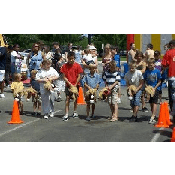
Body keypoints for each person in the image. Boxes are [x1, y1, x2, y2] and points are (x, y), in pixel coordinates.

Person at [60, 51, 83, 121]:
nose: (71, 60)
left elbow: (79, 75)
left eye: (72, 58)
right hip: (68, 84)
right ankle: (66, 113)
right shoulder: (64, 66)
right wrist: (69, 83)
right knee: (67, 99)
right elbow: (63, 76)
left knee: (75, 98)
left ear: (74, 58)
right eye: (70, 59)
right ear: (67, 58)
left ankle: (75, 111)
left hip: (76, 84)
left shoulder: (77, 65)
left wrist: (75, 83)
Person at [144, 59, 161, 124]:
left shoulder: (157, 71)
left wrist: (155, 88)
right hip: (149, 89)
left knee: (154, 102)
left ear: (154, 64)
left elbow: (159, 81)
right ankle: (153, 114)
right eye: (149, 65)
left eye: (151, 65)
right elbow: (145, 80)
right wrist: (146, 86)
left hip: (155, 88)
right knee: (150, 102)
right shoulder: (147, 72)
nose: (150, 66)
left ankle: (153, 116)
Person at [161, 39, 175, 113]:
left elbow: (164, 64)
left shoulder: (168, 53)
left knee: (172, 96)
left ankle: (173, 112)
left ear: (172, 45)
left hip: (172, 77)